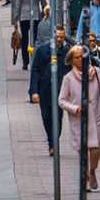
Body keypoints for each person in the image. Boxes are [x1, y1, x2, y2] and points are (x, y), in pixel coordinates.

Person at [57, 46, 100, 191]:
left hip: (96, 117)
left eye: (83, 56)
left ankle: (92, 171)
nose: (81, 59)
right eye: (78, 57)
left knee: (96, 150)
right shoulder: (68, 79)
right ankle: (85, 181)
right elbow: (61, 100)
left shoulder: (95, 72)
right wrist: (75, 108)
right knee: (83, 153)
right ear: (72, 61)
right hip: (79, 120)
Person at [29, 26, 72, 156]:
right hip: (45, 90)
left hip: (60, 92)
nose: (59, 39)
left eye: (61, 37)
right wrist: (34, 91)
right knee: (47, 117)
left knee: (58, 117)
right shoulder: (42, 51)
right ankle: (51, 141)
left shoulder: (66, 53)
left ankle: (54, 143)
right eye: (57, 37)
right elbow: (35, 71)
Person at [11, 0, 48, 70]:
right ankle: (35, 60)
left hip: (24, 17)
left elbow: (18, 4)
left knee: (24, 41)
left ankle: (25, 62)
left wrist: (15, 19)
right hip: (35, 15)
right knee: (36, 39)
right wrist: (45, 15)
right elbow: (44, 4)